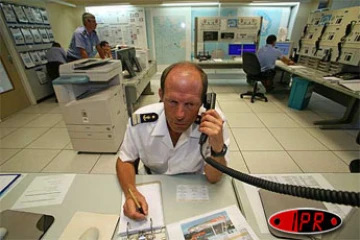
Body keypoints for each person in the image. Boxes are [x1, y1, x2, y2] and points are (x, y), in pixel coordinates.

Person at [116, 61, 230, 220]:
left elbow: (214, 178)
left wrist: (217, 148)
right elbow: (125, 160)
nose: (180, 114)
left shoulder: (212, 123)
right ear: (161, 95)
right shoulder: (141, 120)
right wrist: (131, 192)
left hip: (193, 185)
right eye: (172, 102)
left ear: (203, 102)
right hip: (151, 184)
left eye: (190, 104)